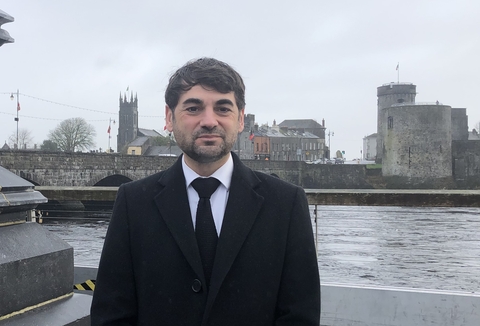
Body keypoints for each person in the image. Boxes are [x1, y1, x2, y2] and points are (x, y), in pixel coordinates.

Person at [90, 57, 321, 326]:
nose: (209, 121)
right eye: (193, 108)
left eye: (223, 108)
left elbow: (299, 315)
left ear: (241, 118)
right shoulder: (133, 202)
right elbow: (112, 313)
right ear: (169, 117)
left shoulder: (286, 204)